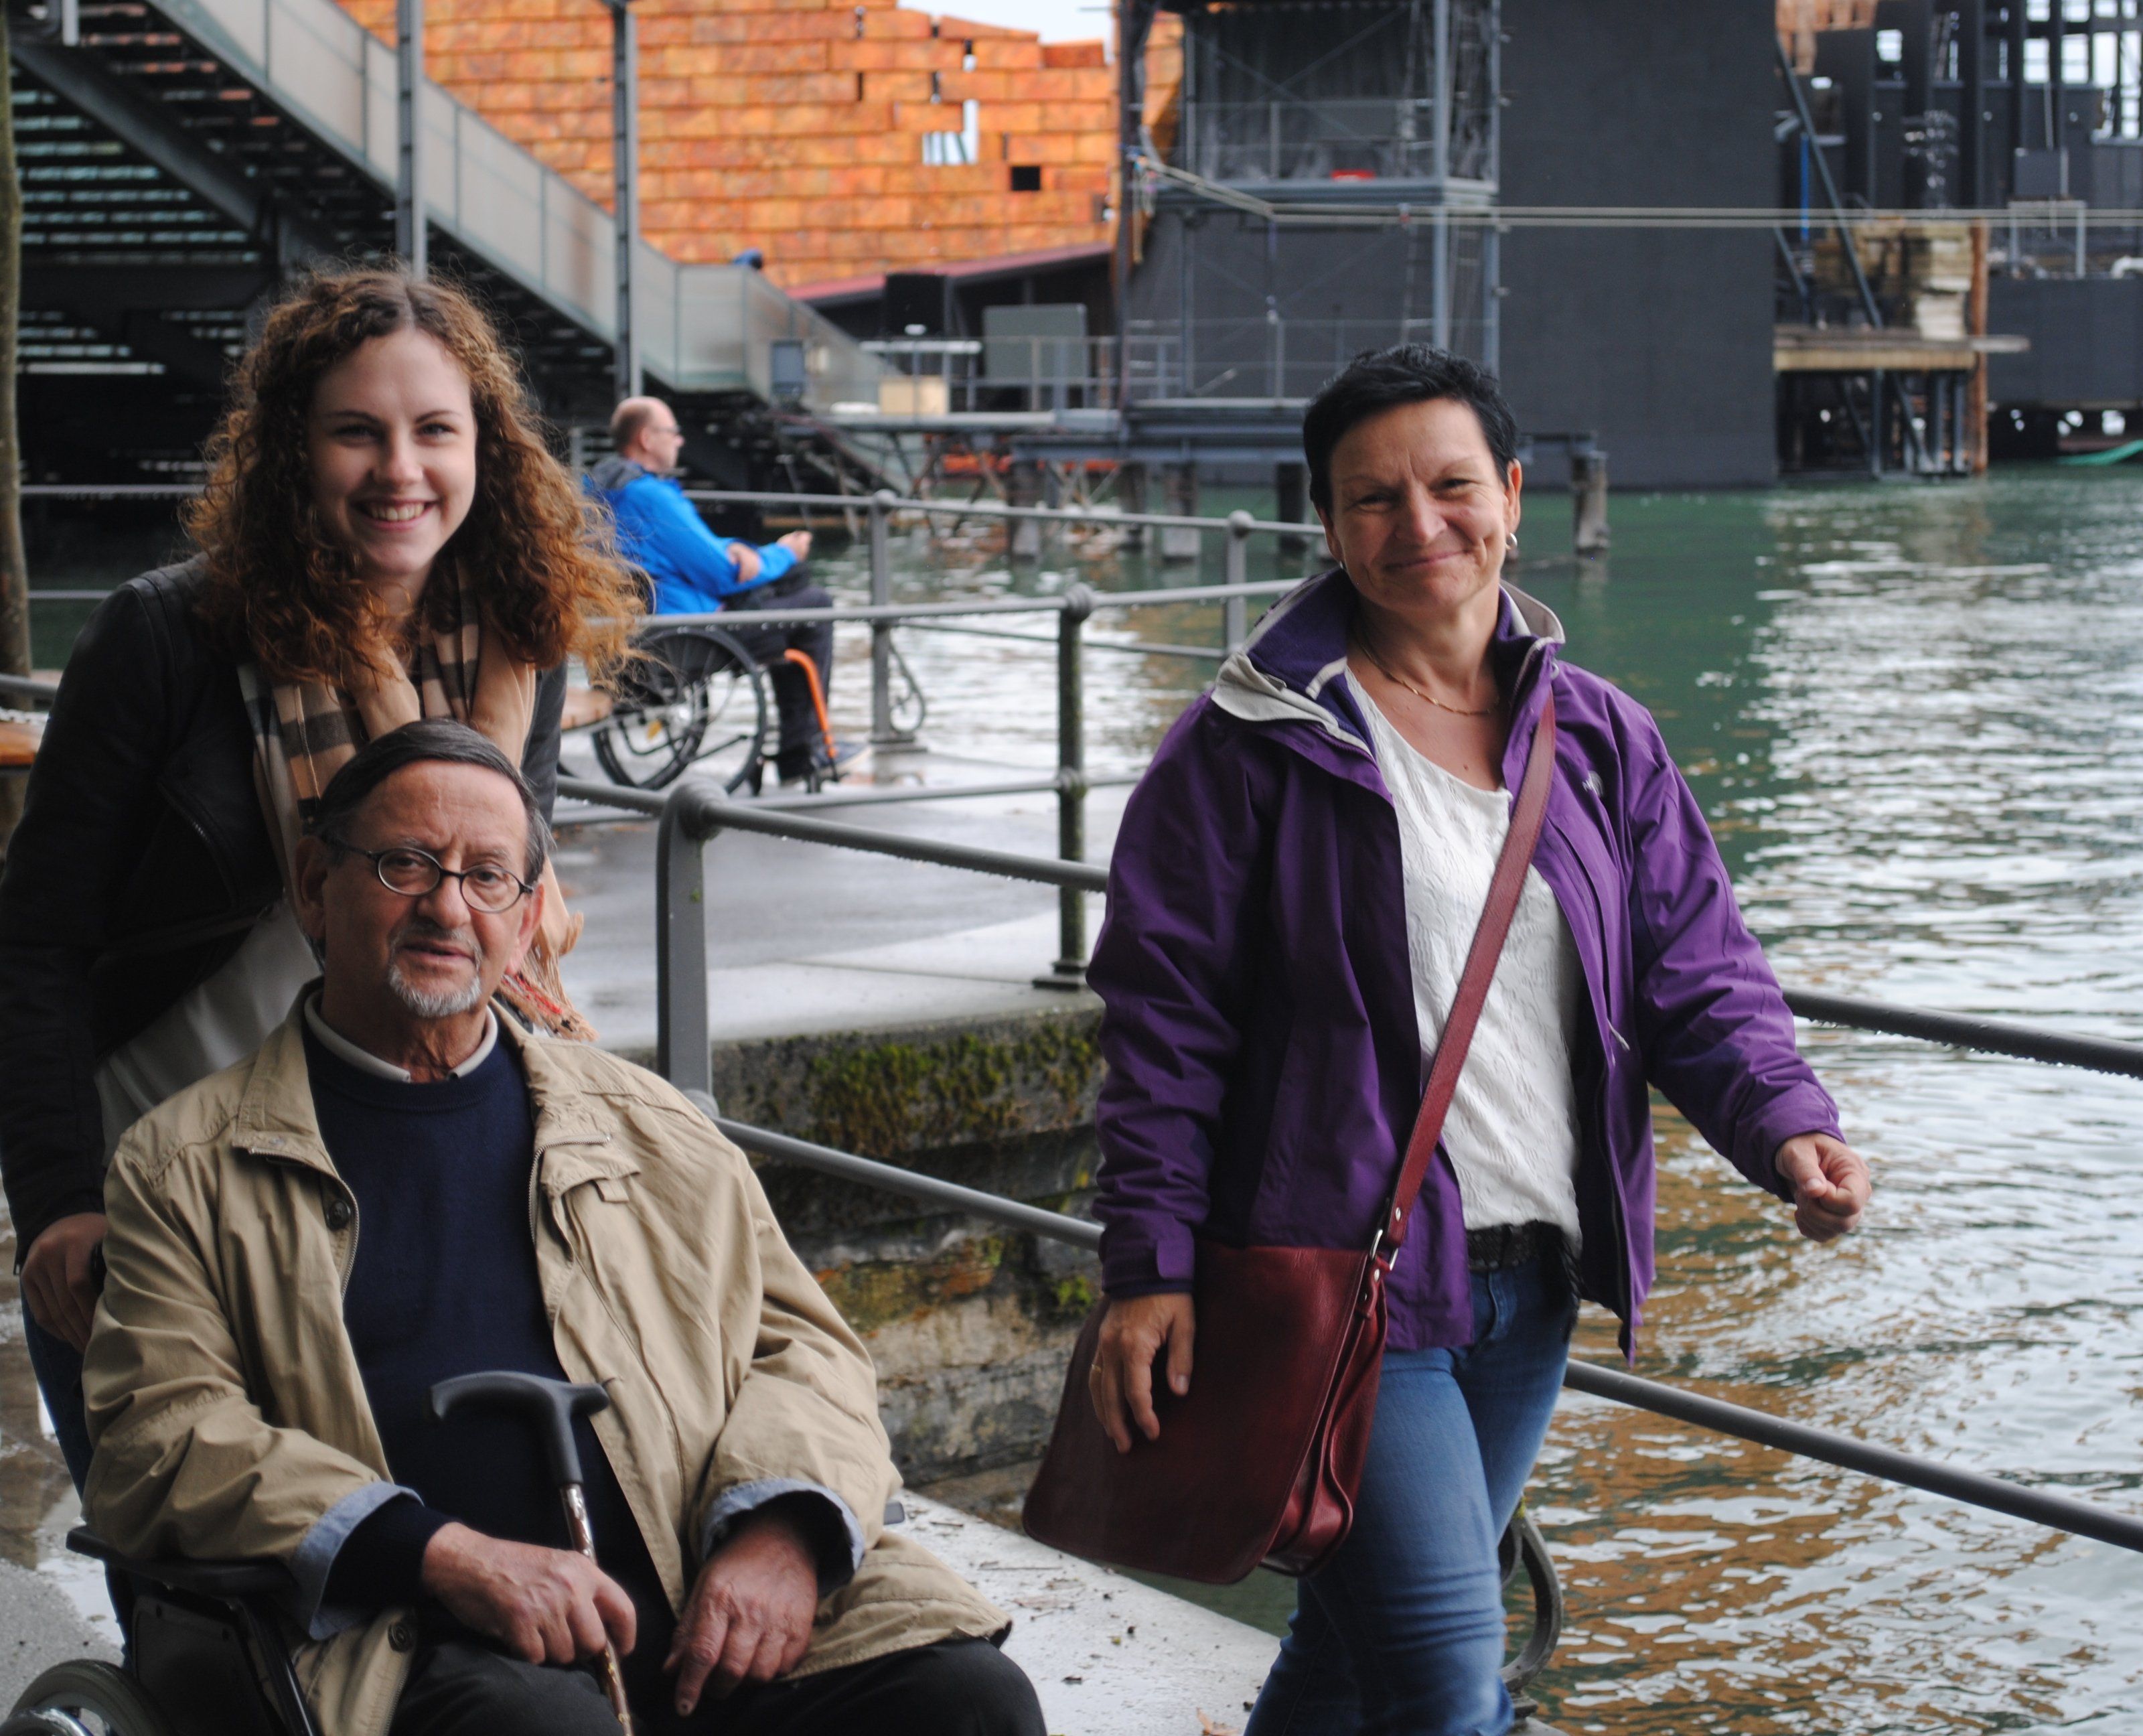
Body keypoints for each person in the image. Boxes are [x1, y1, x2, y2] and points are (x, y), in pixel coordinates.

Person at [1082, 346, 1873, 1736]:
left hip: (1532, 1285)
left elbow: (1694, 967)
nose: (1420, 527)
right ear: (1327, 527)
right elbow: (1166, 1030)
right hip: (1342, 1287)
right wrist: (1150, 1266)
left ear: (1511, 495)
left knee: (1349, 1651)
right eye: (1373, 500)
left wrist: (1783, 1124)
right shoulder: (1246, 745)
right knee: (1451, 1685)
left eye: (1453, 487)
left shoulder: (1600, 740)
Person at [80, 720, 1045, 1736]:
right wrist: (445, 1556)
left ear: (531, 913)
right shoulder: (183, 1162)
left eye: (488, 876)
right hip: (421, 1641)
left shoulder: (651, 1124)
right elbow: (166, 1433)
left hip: (698, 1609)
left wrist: (783, 1531)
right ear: (317, 882)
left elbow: (803, 1349)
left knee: (967, 1702)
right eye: (406, 864)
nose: (447, 906)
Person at [0, 265, 641, 1499]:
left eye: (434, 430)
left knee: (399, 1596)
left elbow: (503, 922)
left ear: (485, 447)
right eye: (358, 430)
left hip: (399, 1188)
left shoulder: (520, 640)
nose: (401, 467)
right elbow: (36, 944)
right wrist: (58, 1204)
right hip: (159, 1182)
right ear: (295, 447)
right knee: (199, 1585)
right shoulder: (168, 639)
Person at [589, 397, 840, 786]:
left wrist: (748, 552)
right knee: (815, 606)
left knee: (789, 594)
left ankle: (801, 748)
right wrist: (783, 552)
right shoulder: (649, 496)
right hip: (685, 643)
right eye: (672, 432)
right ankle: (801, 752)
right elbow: (723, 573)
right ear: (646, 438)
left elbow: (690, 551)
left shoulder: (600, 490)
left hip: (629, 643)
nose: (680, 441)